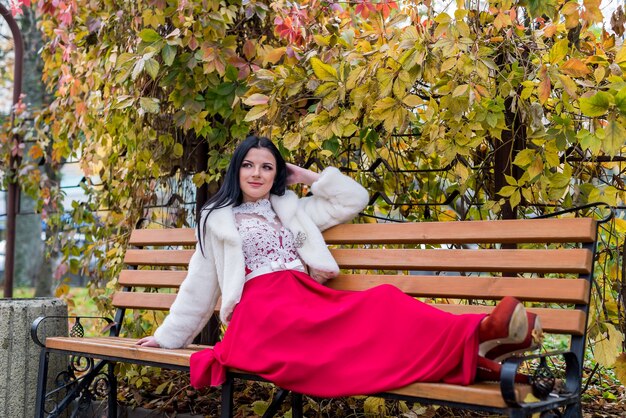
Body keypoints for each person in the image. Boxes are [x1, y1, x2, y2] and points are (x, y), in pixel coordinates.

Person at [137, 135, 543, 396]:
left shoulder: (292, 208)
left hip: (305, 299)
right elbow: (200, 283)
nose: (257, 173)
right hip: (261, 313)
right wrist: (168, 337)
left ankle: (482, 335)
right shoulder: (218, 218)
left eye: (267, 166)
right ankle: (484, 346)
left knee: (384, 302)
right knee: (347, 334)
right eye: (248, 164)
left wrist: (309, 176)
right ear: (236, 170)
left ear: (278, 173)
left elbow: (352, 199)